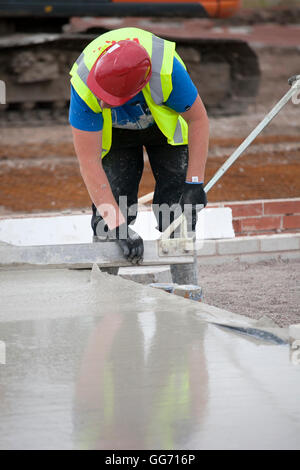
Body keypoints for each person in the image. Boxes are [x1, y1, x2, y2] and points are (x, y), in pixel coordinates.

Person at [69, 27, 208, 279]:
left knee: (178, 212)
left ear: (136, 88)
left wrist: (194, 183)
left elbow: (198, 120)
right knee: (110, 215)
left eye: (108, 98)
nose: (100, 103)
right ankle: (105, 295)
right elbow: (89, 163)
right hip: (118, 137)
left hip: (164, 132)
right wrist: (118, 226)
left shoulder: (167, 72)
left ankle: (186, 292)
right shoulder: (83, 86)